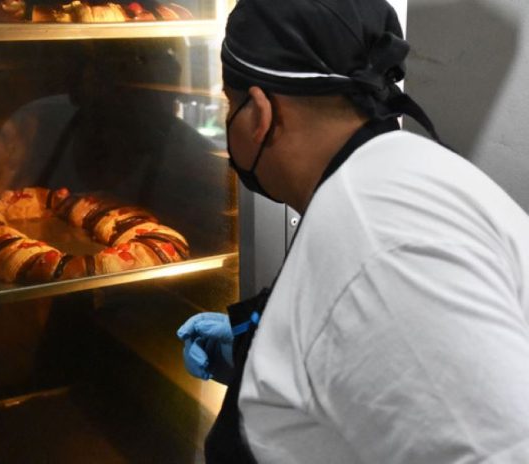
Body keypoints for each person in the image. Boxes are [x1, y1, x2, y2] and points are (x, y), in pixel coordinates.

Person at [176, 0, 529, 462]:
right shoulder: (389, 174)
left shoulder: (383, 246)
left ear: (260, 114)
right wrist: (259, 343)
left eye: (230, 104)